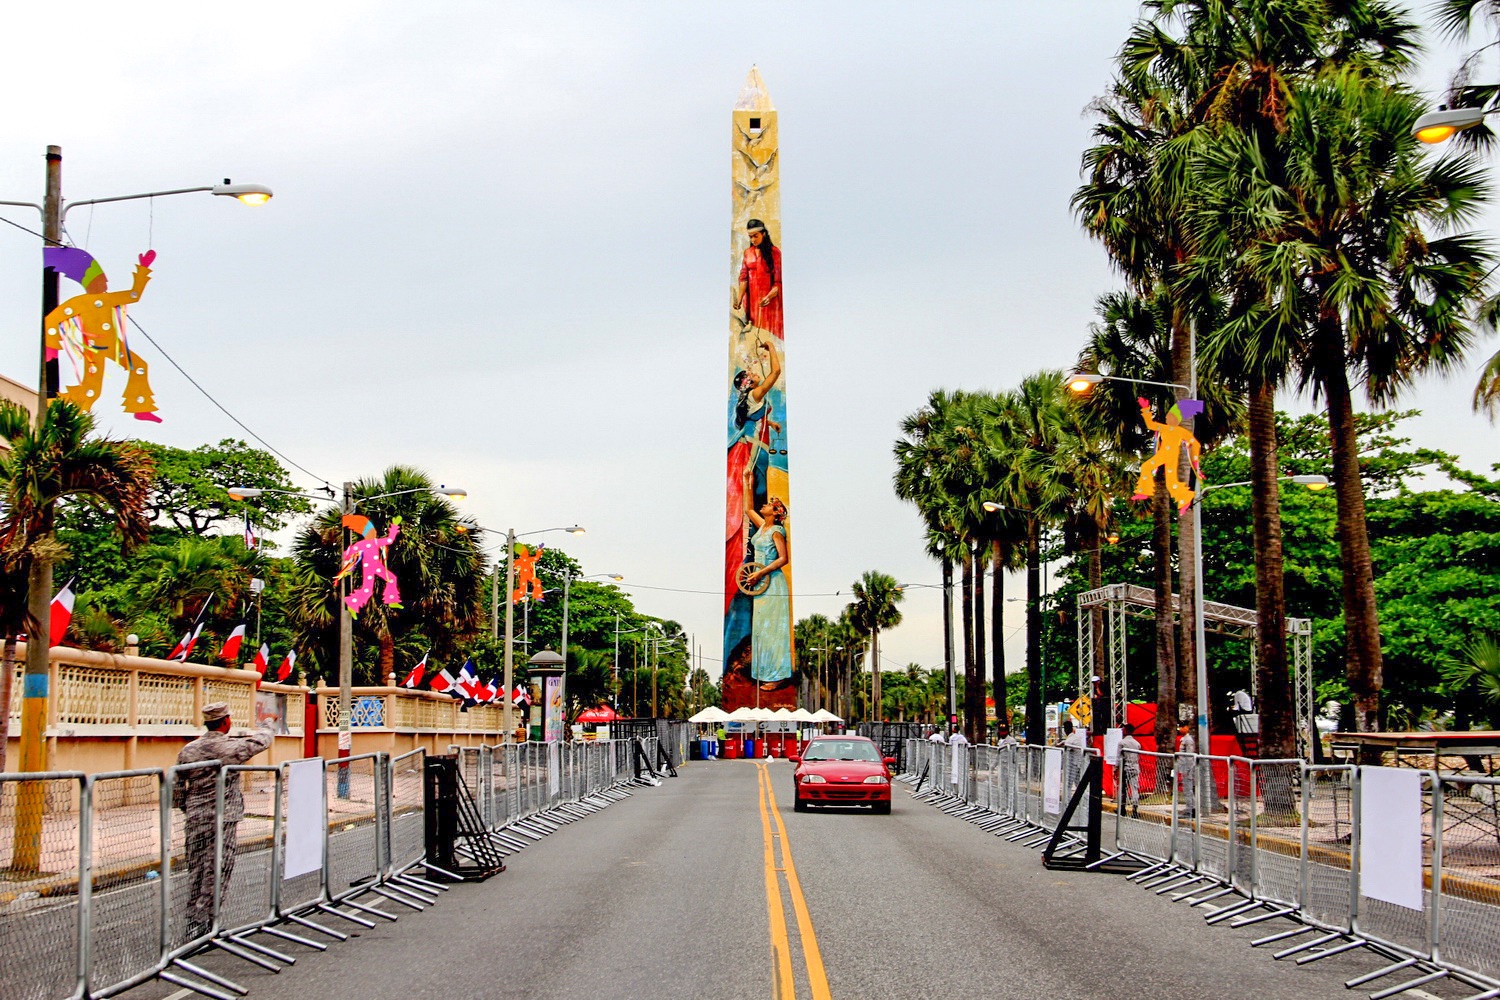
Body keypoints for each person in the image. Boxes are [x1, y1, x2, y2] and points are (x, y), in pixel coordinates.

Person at [175, 702, 273, 938]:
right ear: (225, 721)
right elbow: (261, 742)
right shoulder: (230, 748)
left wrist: (187, 807)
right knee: (218, 868)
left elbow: (176, 787)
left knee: (197, 868)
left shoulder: (188, 750)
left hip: (196, 816)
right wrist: (268, 723)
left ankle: (194, 919)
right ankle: (206, 922)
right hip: (223, 816)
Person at [740, 466, 791, 690]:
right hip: (759, 583)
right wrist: (747, 482)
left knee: (774, 629)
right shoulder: (762, 527)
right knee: (761, 627)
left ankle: (777, 675)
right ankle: (763, 672)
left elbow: (783, 558)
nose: (766, 504)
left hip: (772, 582)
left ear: (776, 512)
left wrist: (760, 572)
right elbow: (748, 509)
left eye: (770, 504)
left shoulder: (777, 531)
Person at [1175, 720, 1198, 818]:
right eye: (1179, 727)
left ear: (1187, 727)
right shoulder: (1183, 739)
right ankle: (1190, 808)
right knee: (1186, 790)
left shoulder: (1188, 740)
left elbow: (1189, 756)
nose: (1180, 729)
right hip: (1184, 768)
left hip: (1188, 769)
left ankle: (1191, 810)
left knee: (1188, 790)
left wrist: (1188, 770)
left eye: (1182, 727)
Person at [1120, 728, 1142, 817]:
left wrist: (1116, 768)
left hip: (1125, 768)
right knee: (1134, 789)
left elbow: (1119, 757)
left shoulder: (1122, 743)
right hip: (1135, 767)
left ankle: (1122, 809)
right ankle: (1135, 809)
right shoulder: (1137, 744)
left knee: (1123, 789)